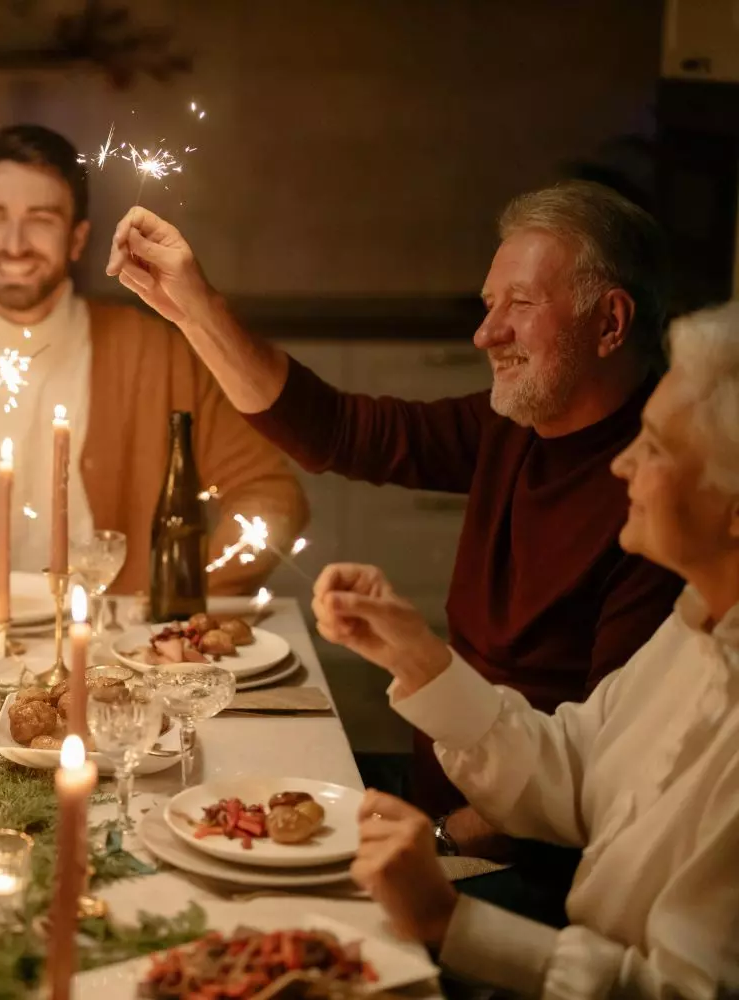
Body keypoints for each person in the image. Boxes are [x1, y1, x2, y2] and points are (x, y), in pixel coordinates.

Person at [104, 182, 683, 857]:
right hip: (429, 800)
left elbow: (608, 776)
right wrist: (194, 310)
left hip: (509, 854)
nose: (485, 333)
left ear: (611, 323)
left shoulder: (664, 506)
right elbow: (340, 431)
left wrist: (439, 842)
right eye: (488, 305)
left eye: (521, 305)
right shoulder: (516, 426)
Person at [310, 302, 739, 999]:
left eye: (655, 447)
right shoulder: (695, 627)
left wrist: (449, 921)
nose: (623, 463)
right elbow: (574, 771)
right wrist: (416, 657)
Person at [0, 124, 308, 593]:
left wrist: (185, 602)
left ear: (77, 239)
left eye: (41, 218)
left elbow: (271, 495)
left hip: (115, 651)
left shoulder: (157, 352)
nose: (14, 243)